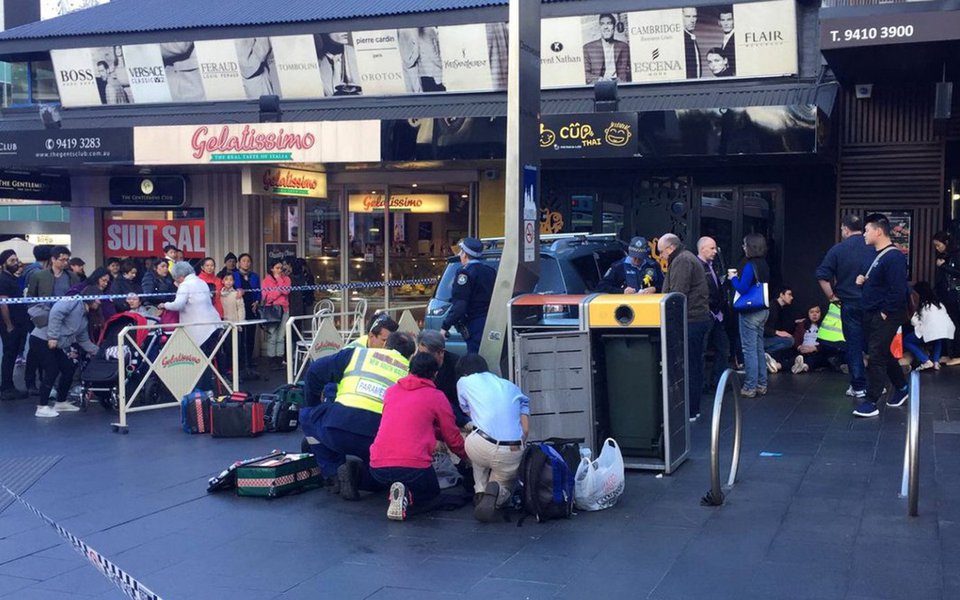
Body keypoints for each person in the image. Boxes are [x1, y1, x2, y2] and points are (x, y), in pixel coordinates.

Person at [343, 352, 469, 521]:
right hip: (414, 468)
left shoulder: (391, 392)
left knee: (384, 480)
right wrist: (466, 457)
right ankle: (408, 499)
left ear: (409, 370)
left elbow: (409, 423)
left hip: (378, 465)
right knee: (432, 495)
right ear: (435, 374)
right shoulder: (436, 397)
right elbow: (451, 436)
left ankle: (359, 476)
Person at [299, 332, 417, 491]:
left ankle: (333, 472)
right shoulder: (412, 373)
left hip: (337, 426)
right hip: (378, 439)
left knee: (307, 415)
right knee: (379, 476)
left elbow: (314, 371)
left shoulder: (357, 355)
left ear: (386, 344)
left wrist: (314, 405)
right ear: (410, 355)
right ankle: (358, 475)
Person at [456, 354, 529, 522]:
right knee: (504, 487)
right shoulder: (510, 385)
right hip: (513, 449)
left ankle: (480, 491)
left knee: (475, 437)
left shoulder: (464, 382)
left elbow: (467, 410)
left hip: (481, 444)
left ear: (464, 372)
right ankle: (497, 494)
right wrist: (525, 431)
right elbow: (524, 404)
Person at [853, 213, 910, 418]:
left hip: (885, 314)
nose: (865, 234)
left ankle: (871, 400)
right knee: (882, 353)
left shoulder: (893, 257)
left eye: (867, 230)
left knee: (876, 354)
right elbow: (882, 285)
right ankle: (902, 388)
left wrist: (885, 312)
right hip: (873, 313)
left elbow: (897, 289)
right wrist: (864, 281)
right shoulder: (879, 256)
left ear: (878, 231)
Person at [816, 214, 878, 397]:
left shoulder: (838, 250)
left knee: (853, 345)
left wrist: (831, 296)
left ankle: (858, 386)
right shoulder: (873, 247)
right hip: (872, 304)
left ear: (844, 229)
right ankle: (878, 383)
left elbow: (822, 275)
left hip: (849, 302)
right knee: (875, 344)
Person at [658, 234, 712, 420]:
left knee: (690, 366)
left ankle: (690, 409)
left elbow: (677, 295)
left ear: (670, 248)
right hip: (694, 319)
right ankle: (691, 408)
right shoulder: (684, 258)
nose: (660, 256)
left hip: (691, 321)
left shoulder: (682, 261)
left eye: (661, 252)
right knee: (693, 364)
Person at [31, 287, 100, 418]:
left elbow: (83, 340)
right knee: (52, 369)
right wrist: (52, 336)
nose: (100, 301)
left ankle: (61, 402)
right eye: (98, 298)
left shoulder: (85, 318)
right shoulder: (73, 301)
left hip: (55, 344)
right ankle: (42, 407)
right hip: (42, 339)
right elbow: (56, 313)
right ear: (90, 297)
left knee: (68, 368)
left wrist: (99, 352)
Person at [159, 262, 224, 390]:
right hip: (214, 324)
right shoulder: (201, 282)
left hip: (200, 328)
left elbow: (178, 305)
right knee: (208, 360)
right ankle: (209, 390)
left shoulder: (185, 285)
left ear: (180, 276)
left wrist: (164, 305)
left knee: (199, 360)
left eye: (175, 278)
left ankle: (202, 390)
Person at [729, 233, 771, 399]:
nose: (743, 247)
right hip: (763, 309)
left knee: (749, 350)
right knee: (759, 347)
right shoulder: (764, 264)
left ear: (751, 247)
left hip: (750, 311)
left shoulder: (749, 265)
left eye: (745, 244)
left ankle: (750, 386)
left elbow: (742, 288)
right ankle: (762, 384)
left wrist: (733, 279)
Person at [440, 238, 496, 354]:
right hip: (491, 322)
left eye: (461, 252)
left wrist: (445, 326)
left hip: (474, 323)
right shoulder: (490, 271)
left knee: (474, 357)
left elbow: (460, 304)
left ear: (465, 254)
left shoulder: (465, 273)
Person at [417, 329, 470, 427]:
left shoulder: (456, 365)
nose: (422, 358)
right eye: (420, 353)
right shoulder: (418, 364)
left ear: (441, 352)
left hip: (455, 415)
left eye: (427, 355)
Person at [697, 236, 730, 389]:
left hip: (717, 314)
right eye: (711, 248)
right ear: (702, 249)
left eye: (715, 248)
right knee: (701, 350)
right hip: (706, 313)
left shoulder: (713, 266)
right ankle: (702, 383)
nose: (715, 251)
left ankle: (718, 382)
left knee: (723, 348)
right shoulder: (697, 267)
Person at [904, 281, 956, 371]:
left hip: (929, 331)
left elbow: (914, 322)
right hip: (945, 330)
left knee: (907, 341)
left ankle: (925, 360)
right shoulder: (939, 303)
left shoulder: (922, 305)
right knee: (937, 340)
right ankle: (936, 362)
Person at [0, 250, 29, 400]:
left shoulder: (12, 278)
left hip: (18, 323)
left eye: (16, 260)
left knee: (12, 354)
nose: (16, 263)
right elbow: (3, 304)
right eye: (12, 260)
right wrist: (9, 325)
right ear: (4, 263)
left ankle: (8, 385)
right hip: (10, 325)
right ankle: (6, 387)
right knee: (9, 354)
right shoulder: (3, 280)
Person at [597, 236, 663, 294]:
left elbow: (664, 286)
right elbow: (602, 287)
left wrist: (654, 289)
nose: (637, 260)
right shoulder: (618, 266)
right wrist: (622, 291)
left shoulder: (653, 265)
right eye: (634, 257)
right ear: (629, 252)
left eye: (640, 258)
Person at [790, 305, 845, 374]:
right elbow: (796, 338)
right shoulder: (802, 324)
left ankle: (803, 367)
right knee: (795, 357)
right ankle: (777, 366)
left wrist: (815, 348)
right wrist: (799, 347)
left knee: (818, 358)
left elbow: (828, 342)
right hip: (803, 350)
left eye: (817, 312)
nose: (814, 314)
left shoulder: (825, 325)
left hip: (817, 351)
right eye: (812, 312)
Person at [933, 231, 960, 364]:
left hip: (954, 295)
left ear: (946, 243)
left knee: (955, 324)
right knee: (947, 324)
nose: (937, 249)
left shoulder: (956, 255)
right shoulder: (946, 256)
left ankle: (957, 354)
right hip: (945, 295)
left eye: (939, 245)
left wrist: (943, 266)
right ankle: (948, 353)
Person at [583, 13, 631, 84]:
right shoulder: (588, 48)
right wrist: (600, 79)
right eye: (602, 24)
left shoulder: (624, 47)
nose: (605, 27)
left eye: (609, 23)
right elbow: (584, 74)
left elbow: (632, 70)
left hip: (620, 85)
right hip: (599, 85)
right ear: (599, 27)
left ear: (614, 27)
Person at [261, 259, 291, 372]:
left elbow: (287, 291)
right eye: (277, 268)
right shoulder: (266, 281)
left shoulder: (286, 279)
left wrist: (279, 280)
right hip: (272, 310)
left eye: (281, 268)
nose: (279, 270)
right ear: (272, 269)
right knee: (272, 336)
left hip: (284, 310)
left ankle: (279, 359)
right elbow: (266, 297)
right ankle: (271, 359)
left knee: (281, 336)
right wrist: (279, 291)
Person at [234, 253, 261, 372]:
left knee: (251, 335)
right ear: (239, 263)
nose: (246, 263)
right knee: (240, 336)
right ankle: (240, 362)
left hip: (252, 308)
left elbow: (259, 290)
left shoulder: (254, 276)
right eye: (243, 261)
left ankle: (249, 360)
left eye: (248, 261)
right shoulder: (234, 275)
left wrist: (257, 301)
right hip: (239, 309)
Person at [762, 286, 797, 373]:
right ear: (781, 295)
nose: (791, 297)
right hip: (761, 339)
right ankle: (763, 355)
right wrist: (777, 332)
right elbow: (761, 326)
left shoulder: (780, 309)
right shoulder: (772, 307)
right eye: (789, 294)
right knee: (789, 341)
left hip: (767, 338)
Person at [682, 7, 701, 79]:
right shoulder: (682, 40)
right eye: (688, 16)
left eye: (694, 16)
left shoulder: (691, 37)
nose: (692, 20)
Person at [718, 6, 736, 74]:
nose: (726, 23)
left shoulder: (736, 38)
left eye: (729, 19)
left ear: (734, 20)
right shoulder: (725, 39)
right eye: (723, 20)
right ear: (719, 22)